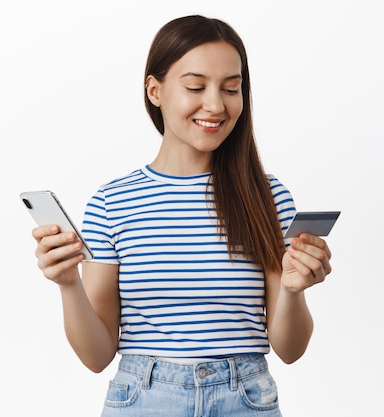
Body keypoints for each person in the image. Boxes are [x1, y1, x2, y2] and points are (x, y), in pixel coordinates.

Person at [31, 15, 333, 416]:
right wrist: (68, 284)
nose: (216, 104)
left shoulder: (268, 197)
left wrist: (294, 291)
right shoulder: (111, 203)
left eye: (231, 88)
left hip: (245, 400)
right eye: (195, 86)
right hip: (144, 399)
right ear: (154, 91)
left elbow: (290, 350)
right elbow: (96, 356)